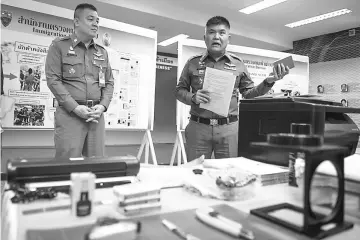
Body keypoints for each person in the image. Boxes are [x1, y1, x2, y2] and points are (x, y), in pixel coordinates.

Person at [175, 16, 289, 160]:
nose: (216, 37)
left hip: (229, 129)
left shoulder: (238, 64)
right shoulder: (192, 63)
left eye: (221, 33)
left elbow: (248, 93)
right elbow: (179, 91)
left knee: (230, 172)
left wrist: (268, 81)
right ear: (205, 38)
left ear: (228, 38)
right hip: (199, 128)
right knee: (197, 171)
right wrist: (192, 97)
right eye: (211, 32)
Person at [45, 3, 114, 159]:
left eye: (97, 20)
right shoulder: (59, 46)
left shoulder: (102, 52)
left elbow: (109, 82)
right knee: (67, 166)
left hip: (96, 116)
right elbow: (53, 80)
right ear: (76, 22)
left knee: (96, 165)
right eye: (90, 19)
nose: (95, 24)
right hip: (70, 116)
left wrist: (102, 106)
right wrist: (76, 108)